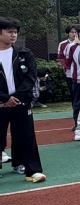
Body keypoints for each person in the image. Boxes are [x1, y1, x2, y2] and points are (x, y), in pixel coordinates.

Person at [0, 17, 46, 182]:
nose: (13, 35)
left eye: (15, 32)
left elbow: (30, 77)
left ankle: (32, 170)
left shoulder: (24, 54)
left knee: (26, 136)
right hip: (1, 104)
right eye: (9, 32)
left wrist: (16, 97)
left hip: (21, 102)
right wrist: (5, 98)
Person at [57, 24, 78, 101]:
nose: (74, 34)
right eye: (72, 32)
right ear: (68, 33)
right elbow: (61, 57)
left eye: (75, 32)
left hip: (79, 71)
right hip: (69, 71)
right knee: (72, 90)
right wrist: (67, 66)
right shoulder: (63, 44)